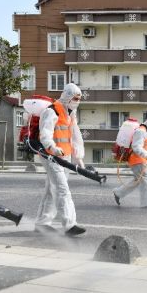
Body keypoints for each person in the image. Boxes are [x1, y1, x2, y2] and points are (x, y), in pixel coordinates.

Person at [35, 83, 86, 237]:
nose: (77, 101)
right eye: (75, 98)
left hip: (65, 156)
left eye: (79, 99)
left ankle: (42, 222)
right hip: (51, 155)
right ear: (68, 97)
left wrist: (78, 157)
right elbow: (45, 134)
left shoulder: (70, 112)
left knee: (52, 189)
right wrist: (53, 147)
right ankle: (70, 225)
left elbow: (74, 135)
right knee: (62, 189)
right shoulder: (51, 111)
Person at [113, 110, 147, 208]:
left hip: (142, 160)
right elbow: (136, 147)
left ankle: (118, 193)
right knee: (146, 179)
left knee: (138, 180)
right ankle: (145, 203)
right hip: (136, 160)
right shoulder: (141, 131)